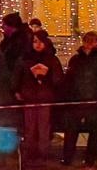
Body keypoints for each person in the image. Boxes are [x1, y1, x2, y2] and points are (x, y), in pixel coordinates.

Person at [61, 32, 97, 166]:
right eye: (87, 41)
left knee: (95, 130)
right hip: (77, 99)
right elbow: (70, 79)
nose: (90, 44)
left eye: (93, 41)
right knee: (71, 129)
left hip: (96, 99)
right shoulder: (76, 59)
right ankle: (67, 157)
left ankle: (90, 158)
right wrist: (68, 96)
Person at [13, 29, 62, 161]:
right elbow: (17, 76)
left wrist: (47, 79)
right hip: (29, 96)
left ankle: (43, 152)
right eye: (35, 42)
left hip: (44, 97)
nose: (38, 45)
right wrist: (17, 90)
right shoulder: (25, 58)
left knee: (43, 126)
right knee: (30, 126)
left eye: (41, 42)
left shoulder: (51, 59)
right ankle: (30, 151)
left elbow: (58, 78)